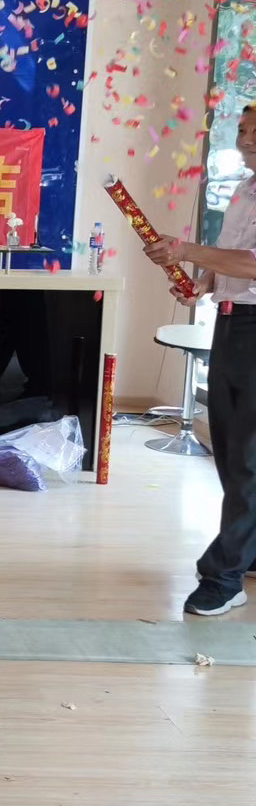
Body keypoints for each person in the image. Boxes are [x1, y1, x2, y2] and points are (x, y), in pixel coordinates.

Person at [145, 100, 256, 615]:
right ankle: (245, 551)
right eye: (243, 129)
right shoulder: (244, 190)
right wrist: (202, 284)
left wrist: (187, 251)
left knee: (248, 456)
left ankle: (224, 578)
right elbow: (231, 257)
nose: (246, 139)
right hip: (231, 325)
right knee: (230, 449)